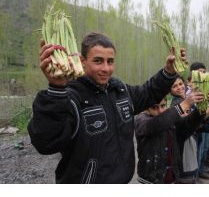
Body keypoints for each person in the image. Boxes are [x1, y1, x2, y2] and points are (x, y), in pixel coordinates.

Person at [27, 32, 186, 184]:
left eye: (110, 61)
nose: (106, 68)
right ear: (82, 61)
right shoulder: (69, 98)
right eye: (98, 61)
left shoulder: (121, 91)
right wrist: (56, 88)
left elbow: (149, 92)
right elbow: (45, 143)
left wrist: (169, 72)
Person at [134, 92, 205, 184]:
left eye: (163, 106)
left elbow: (188, 124)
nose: (160, 111)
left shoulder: (169, 118)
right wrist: (185, 104)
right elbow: (156, 124)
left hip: (171, 178)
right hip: (150, 180)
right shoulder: (140, 120)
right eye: (154, 107)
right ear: (146, 109)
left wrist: (202, 106)